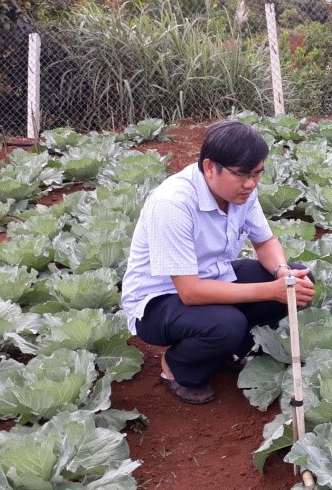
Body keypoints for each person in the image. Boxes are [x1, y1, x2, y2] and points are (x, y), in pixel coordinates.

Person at [121, 119, 315, 405]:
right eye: (242, 175)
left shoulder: (242, 192)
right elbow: (190, 291)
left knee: (298, 279)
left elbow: (264, 242)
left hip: (214, 279)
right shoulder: (172, 203)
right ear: (210, 167)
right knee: (226, 323)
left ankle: (228, 351)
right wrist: (272, 291)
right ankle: (178, 367)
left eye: (257, 174)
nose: (251, 183)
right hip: (159, 301)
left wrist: (283, 275)